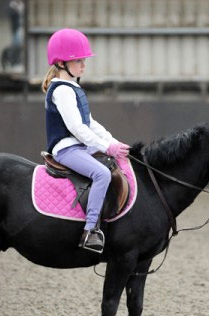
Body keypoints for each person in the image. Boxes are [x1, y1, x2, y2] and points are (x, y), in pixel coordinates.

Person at [42, 28, 130, 253]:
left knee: (111, 163)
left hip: (80, 146)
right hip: (67, 149)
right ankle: (90, 230)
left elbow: (90, 123)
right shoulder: (61, 91)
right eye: (78, 61)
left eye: (83, 60)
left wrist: (113, 143)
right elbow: (76, 128)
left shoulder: (74, 88)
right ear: (61, 63)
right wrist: (106, 146)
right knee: (101, 174)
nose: (83, 65)